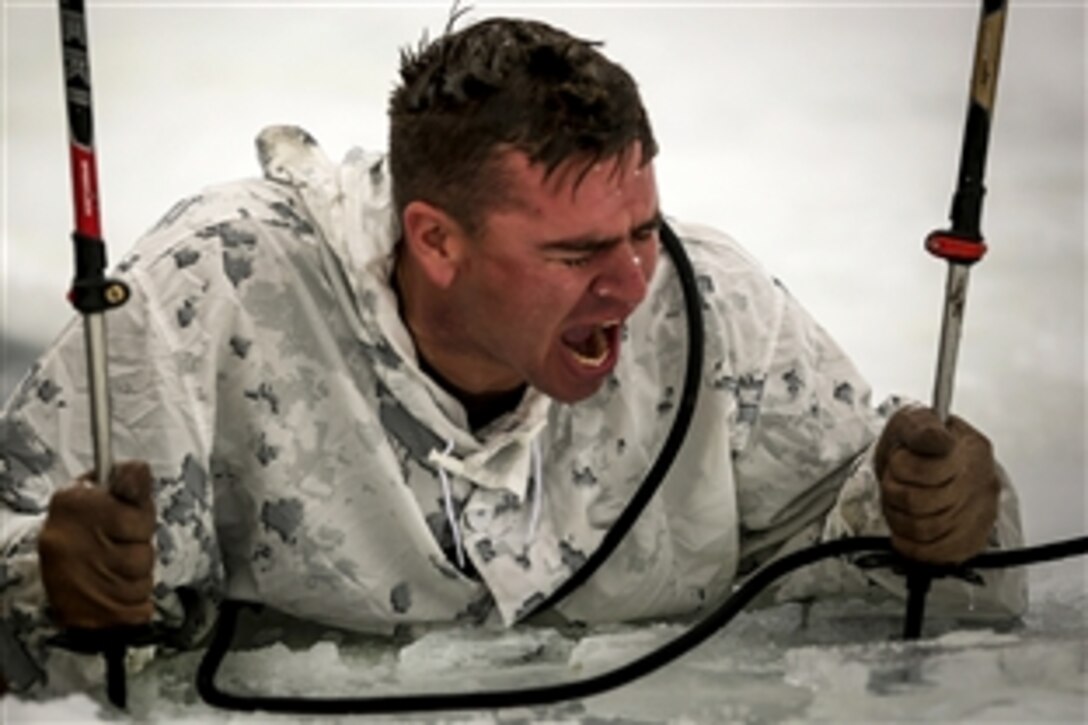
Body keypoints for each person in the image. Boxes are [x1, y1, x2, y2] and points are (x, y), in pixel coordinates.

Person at [0, 16, 1025, 695]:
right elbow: (33, 573)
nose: (631, 281)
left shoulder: (710, 301)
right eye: (575, 251)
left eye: (638, 228)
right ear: (435, 240)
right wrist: (50, 584)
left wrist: (934, 512)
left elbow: (876, 559)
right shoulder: (205, 294)